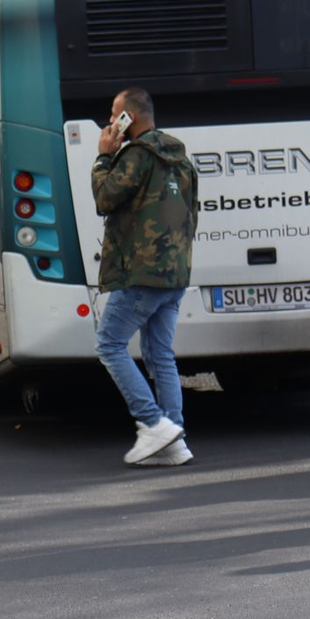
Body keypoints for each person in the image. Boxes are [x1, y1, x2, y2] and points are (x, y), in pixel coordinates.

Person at [92, 87, 198, 467]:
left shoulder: (135, 156)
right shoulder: (181, 159)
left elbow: (105, 199)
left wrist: (104, 156)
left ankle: (154, 424)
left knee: (108, 344)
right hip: (175, 274)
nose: (110, 121)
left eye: (114, 113)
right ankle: (175, 441)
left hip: (142, 273)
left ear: (129, 119)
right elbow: (191, 214)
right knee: (159, 354)